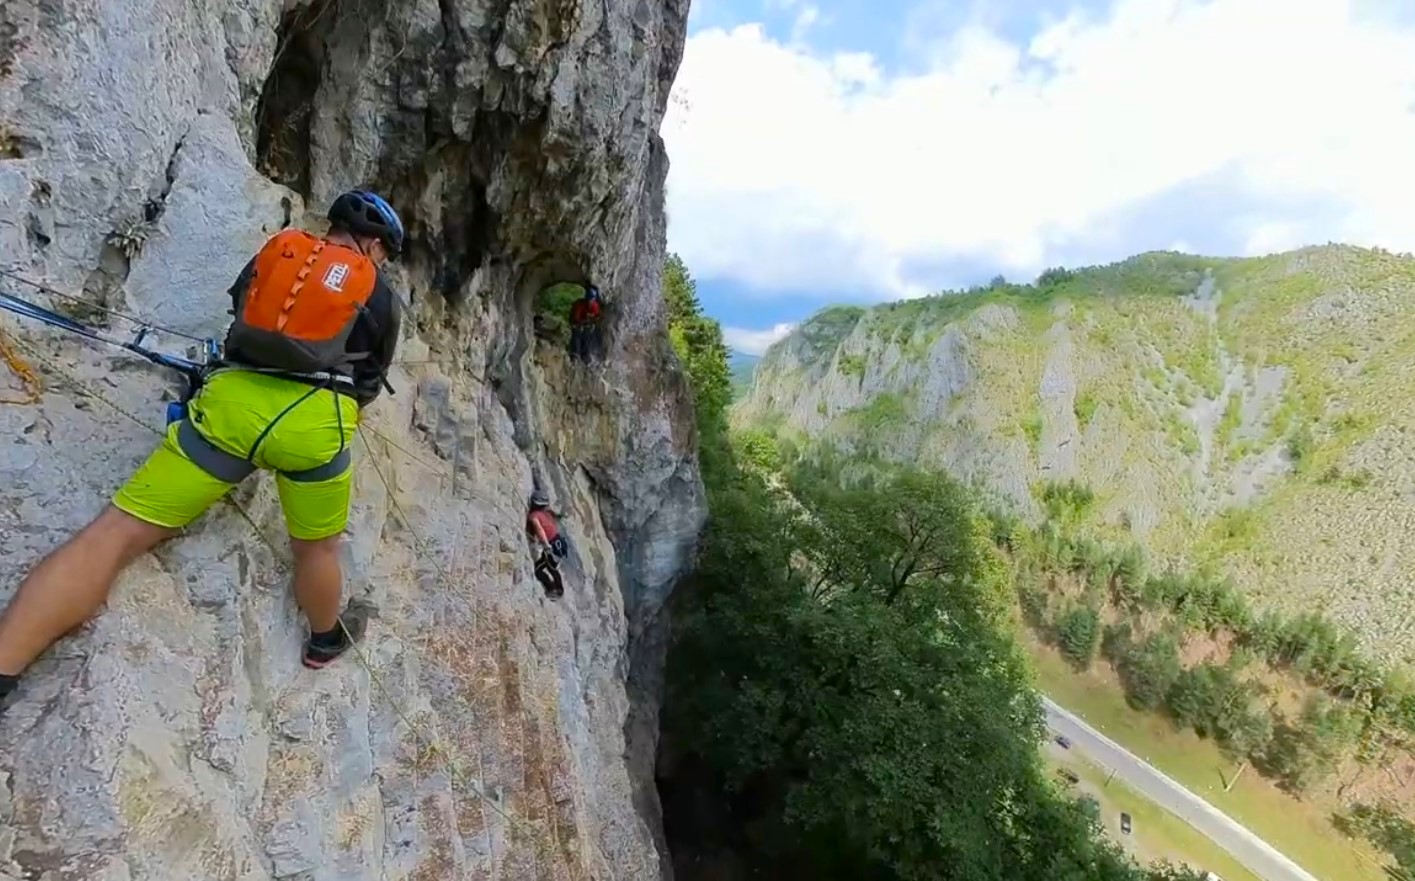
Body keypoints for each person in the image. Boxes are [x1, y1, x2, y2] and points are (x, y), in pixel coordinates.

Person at [0, 189, 406, 707]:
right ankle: (325, 638)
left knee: (114, 533)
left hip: (228, 411)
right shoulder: (380, 295)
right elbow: (369, 382)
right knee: (316, 548)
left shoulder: (278, 251)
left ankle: (6, 662)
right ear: (374, 245)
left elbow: (240, 315)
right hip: (313, 426)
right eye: (385, 254)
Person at [526, 491, 567, 598]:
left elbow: (540, 530)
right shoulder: (547, 513)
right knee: (552, 567)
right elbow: (553, 516)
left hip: (551, 546)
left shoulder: (534, 516)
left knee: (539, 570)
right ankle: (559, 589)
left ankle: (553, 589)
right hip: (558, 542)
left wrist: (545, 545)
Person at [567, 285, 602, 364]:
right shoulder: (579, 305)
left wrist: (592, 321)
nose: (591, 302)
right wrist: (586, 321)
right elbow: (576, 319)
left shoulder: (595, 306)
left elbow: (597, 317)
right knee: (577, 333)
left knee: (588, 334)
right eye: (590, 300)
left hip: (586, 321)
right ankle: (575, 354)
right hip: (576, 321)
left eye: (592, 300)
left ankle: (585, 354)